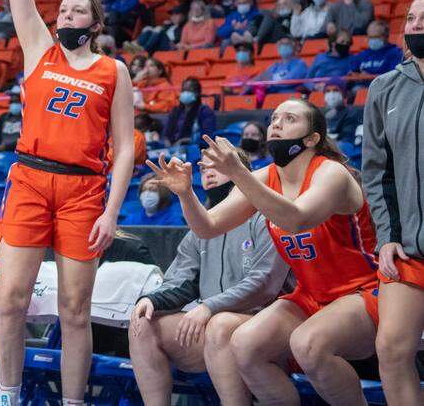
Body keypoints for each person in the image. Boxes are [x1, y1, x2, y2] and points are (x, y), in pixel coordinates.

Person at [0, 0, 135, 406]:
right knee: (11, 301)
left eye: (78, 7)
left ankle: (73, 402)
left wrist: (112, 210)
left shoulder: (112, 71)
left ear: (95, 23)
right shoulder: (38, 49)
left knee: (76, 309)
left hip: (83, 190)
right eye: (63, 5)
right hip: (30, 179)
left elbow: (123, 151)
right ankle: (8, 396)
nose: (65, 10)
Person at [150, 100, 379, 405]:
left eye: (289, 118)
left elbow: (295, 219)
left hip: (363, 291)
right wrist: (186, 194)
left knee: (307, 343)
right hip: (311, 295)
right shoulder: (265, 177)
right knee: (244, 344)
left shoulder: (331, 173)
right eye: (273, 118)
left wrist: (237, 172)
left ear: (311, 139)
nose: (276, 124)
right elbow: (207, 226)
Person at [129, 144, 289, 405]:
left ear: (242, 171)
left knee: (219, 324)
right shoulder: (200, 226)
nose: (208, 172)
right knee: (142, 323)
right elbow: (183, 280)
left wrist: (210, 308)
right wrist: (153, 300)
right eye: (204, 168)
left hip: (264, 322)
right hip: (214, 322)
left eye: (217, 165)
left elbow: (265, 283)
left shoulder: (266, 215)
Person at [361, 0, 424, 406]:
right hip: (411, 249)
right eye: (411, 17)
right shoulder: (384, 88)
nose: (416, 24)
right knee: (392, 349)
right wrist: (387, 235)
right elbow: (376, 174)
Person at [163, 78, 216, 147]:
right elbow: (166, 133)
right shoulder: (175, 111)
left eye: (189, 90)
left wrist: (183, 141)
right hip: (172, 148)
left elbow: (206, 136)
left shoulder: (204, 111)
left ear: (197, 93)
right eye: (184, 90)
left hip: (193, 148)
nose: (185, 93)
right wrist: (167, 141)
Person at [0, 87, 23, 155]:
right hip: (0, 152)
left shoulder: (27, 118)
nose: (14, 102)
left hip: (17, 153)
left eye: (17, 100)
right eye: (12, 100)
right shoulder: (3, 117)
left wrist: (5, 147)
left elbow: (24, 140)